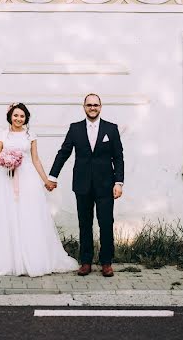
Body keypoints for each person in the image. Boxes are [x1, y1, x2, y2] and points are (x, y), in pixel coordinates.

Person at [0, 102, 78, 277]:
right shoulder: (3, 134)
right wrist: (7, 161)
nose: (18, 119)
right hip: (7, 179)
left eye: (22, 116)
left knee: (29, 215)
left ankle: (34, 257)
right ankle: (9, 260)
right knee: (8, 215)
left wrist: (46, 180)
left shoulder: (31, 136)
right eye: (16, 115)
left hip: (28, 179)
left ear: (26, 118)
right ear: (10, 117)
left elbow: (36, 159)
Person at [48, 94, 124, 277]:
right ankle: (86, 262)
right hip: (82, 185)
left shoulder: (111, 129)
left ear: (100, 107)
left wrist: (119, 182)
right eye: (89, 105)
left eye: (95, 105)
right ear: (84, 107)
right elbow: (63, 152)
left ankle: (106, 262)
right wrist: (52, 176)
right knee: (85, 224)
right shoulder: (75, 129)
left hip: (106, 185)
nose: (92, 107)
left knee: (106, 223)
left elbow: (118, 157)